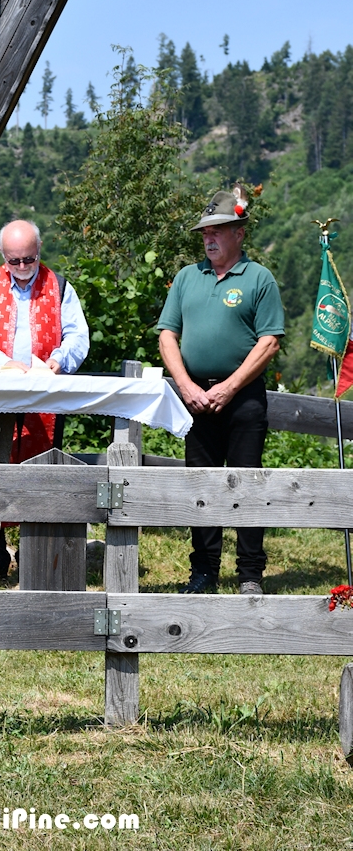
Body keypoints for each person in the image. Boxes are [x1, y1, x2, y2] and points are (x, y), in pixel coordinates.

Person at [157, 188, 284, 596]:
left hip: (243, 399)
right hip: (196, 399)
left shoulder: (259, 278)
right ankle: (204, 572)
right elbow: (167, 336)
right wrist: (186, 385)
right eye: (205, 232)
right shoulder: (187, 278)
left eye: (218, 231)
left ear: (239, 234)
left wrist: (229, 388)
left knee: (247, 484)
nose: (209, 239)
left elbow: (269, 342)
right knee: (203, 488)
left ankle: (250, 574)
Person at [0, 219, 90, 463]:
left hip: (44, 392)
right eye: (13, 261)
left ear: (39, 247)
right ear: (2, 254)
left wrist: (60, 359)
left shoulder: (59, 286)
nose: (22, 266)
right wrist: (3, 362)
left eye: (29, 259)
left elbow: (78, 335)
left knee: (40, 465)